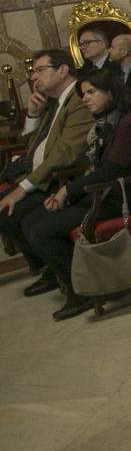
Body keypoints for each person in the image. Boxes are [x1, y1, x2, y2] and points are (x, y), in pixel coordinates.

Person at [17, 69, 131, 318]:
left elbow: (111, 170)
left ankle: (83, 290)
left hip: (123, 196)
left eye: (92, 92)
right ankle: (70, 279)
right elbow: (98, 170)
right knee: (30, 220)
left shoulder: (129, 122)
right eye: (84, 93)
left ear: (111, 93)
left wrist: (68, 191)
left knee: (41, 230)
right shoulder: (106, 121)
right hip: (102, 192)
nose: (86, 98)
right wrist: (67, 193)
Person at [0, 49, 94, 285]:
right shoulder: (54, 103)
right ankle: (47, 269)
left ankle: (58, 272)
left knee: (9, 213)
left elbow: (64, 154)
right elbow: (35, 149)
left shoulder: (80, 100)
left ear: (62, 70)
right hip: (43, 175)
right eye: (33, 72)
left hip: (65, 179)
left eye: (40, 70)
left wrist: (23, 187)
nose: (33, 77)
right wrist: (32, 115)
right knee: (5, 210)